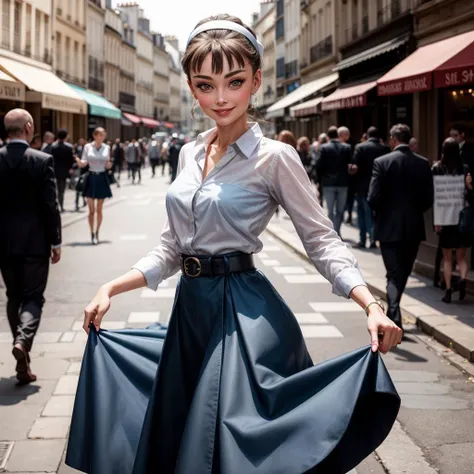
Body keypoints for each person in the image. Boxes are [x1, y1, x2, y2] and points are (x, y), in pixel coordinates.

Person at [66, 15, 401, 474]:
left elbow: (321, 239)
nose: (220, 98)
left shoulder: (275, 158)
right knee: (185, 435)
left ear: (256, 80)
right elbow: (171, 247)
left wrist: (370, 304)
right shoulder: (188, 153)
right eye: (205, 85)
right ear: (190, 85)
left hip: (244, 316)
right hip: (191, 311)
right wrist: (111, 287)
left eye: (235, 82)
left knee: (227, 445)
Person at [0, 108, 61, 384]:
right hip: (35, 242)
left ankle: (23, 361)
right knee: (34, 297)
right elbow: (50, 205)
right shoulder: (41, 160)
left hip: (3, 242)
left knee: (14, 296)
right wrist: (56, 241)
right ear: (27, 128)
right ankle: (23, 341)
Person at [368, 124, 434, 330]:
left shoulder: (381, 162)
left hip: (388, 226)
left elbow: (373, 198)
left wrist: (382, 212)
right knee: (403, 272)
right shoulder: (423, 163)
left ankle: (394, 313)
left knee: (394, 273)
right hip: (413, 225)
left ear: (393, 140)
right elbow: (428, 199)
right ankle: (394, 311)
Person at [432, 137, 473, 303]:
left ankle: (448, 290)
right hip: (462, 219)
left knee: (447, 258)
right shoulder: (464, 169)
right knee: (462, 257)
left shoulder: (437, 168)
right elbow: (470, 193)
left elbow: (433, 194)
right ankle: (463, 280)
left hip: (444, 218)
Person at [352, 126, 390, 249]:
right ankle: (373, 239)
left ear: (367, 135)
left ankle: (363, 240)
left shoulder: (360, 147)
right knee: (374, 215)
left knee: (362, 214)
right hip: (379, 187)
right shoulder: (384, 148)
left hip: (362, 186)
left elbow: (355, 166)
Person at [316, 125, 352, 236]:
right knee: (340, 210)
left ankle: (333, 232)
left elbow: (319, 166)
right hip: (343, 183)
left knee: (330, 211)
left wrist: (319, 181)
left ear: (327, 136)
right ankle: (337, 230)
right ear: (337, 135)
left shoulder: (324, 148)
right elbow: (350, 164)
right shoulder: (347, 147)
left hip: (328, 183)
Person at [79, 127, 113, 245]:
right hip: (91, 178)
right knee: (91, 210)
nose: (102, 137)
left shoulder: (107, 147)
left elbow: (108, 163)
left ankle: (97, 232)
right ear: (95, 135)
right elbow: (84, 161)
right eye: (100, 135)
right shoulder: (88, 147)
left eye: (103, 135)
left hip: (101, 178)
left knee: (99, 209)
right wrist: (80, 163)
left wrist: (109, 165)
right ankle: (91, 232)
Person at [51, 128, 76, 212]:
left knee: (56, 189)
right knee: (61, 189)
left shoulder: (53, 147)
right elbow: (71, 160)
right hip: (64, 171)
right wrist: (71, 168)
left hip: (55, 170)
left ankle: (57, 204)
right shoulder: (69, 147)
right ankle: (61, 205)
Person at [338, 126, 355, 225]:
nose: (347, 136)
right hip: (344, 178)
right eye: (346, 134)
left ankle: (348, 215)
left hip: (349, 178)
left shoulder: (351, 145)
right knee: (344, 200)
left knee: (349, 199)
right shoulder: (339, 145)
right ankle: (344, 216)